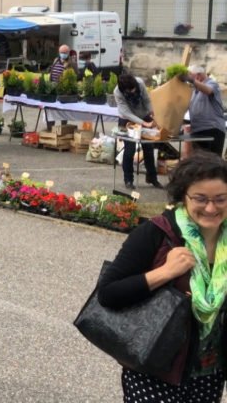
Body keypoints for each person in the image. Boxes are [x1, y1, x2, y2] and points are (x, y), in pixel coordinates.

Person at [97, 152, 227, 400]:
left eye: (221, 199)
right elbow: (108, 293)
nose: (211, 208)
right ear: (183, 197)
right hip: (157, 369)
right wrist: (164, 273)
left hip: (210, 371)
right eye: (200, 199)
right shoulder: (157, 233)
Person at [114, 73, 162, 190]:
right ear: (123, 89)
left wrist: (153, 114)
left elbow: (147, 101)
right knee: (130, 150)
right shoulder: (118, 92)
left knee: (149, 148)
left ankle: (152, 177)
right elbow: (126, 112)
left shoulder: (140, 83)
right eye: (130, 90)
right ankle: (128, 180)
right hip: (127, 120)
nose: (133, 91)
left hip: (144, 115)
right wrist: (144, 123)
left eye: (133, 88)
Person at [183, 65, 226, 158]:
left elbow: (208, 90)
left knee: (212, 162)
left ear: (198, 76)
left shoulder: (212, 83)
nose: (189, 80)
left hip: (212, 129)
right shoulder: (194, 91)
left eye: (191, 76)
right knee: (199, 162)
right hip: (198, 130)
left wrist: (192, 81)